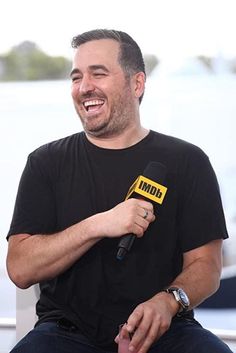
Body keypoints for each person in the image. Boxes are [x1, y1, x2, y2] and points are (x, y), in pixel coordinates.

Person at [6, 29, 232, 353]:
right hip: (65, 335)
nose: (84, 87)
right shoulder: (46, 163)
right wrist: (98, 224)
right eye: (76, 77)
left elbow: (207, 266)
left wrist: (168, 302)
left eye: (98, 73)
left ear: (137, 83)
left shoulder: (188, 162)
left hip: (166, 331)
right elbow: (20, 268)